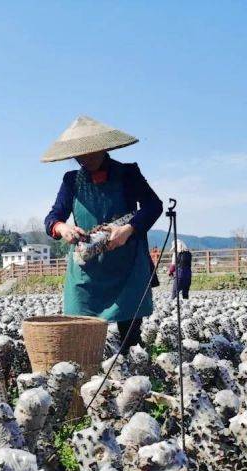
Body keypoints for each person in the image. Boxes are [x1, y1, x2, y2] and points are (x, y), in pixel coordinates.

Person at [43, 116, 163, 353]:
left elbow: (153, 206)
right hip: (88, 264)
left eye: (91, 153)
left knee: (130, 336)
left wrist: (128, 229)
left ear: (104, 148)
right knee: (81, 331)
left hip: (126, 261)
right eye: (79, 155)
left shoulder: (128, 173)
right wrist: (62, 228)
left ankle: (131, 373)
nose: (85, 160)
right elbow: (53, 216)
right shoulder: (71, 181)